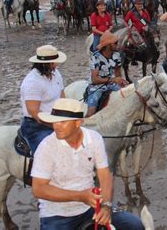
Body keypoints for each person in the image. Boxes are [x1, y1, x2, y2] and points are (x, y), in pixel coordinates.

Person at [32, 98, 144, 230]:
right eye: (54, 122)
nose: (56, 126)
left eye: (62, 122)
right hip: (57, 214)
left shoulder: (94, 138)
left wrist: (106, 205)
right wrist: (80, 196)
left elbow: (105, 175)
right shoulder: (46, 147)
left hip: (91, 206)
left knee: (135, 225)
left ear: (78, 123)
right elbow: (39, 189)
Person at [20, 45, 66, 154]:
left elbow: (62, 96)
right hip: (36, 126)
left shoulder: (56, 74)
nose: (57, 64)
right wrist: (55, 125)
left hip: (56, 119)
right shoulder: (32, 82)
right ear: (47, 64)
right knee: (48, 154)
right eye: (55, 62)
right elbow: (35, 113)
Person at [86, 31, 128, 117]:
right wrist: (113, 80)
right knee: (91, 112)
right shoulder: (95, 57)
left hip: (111, 84)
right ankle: (85, 125)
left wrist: (121, 81)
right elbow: (95, 80)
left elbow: (117, 72)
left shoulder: (116, 55)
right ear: (108, 45)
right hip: (96, 87)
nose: (118, 45)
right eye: (115, 43)